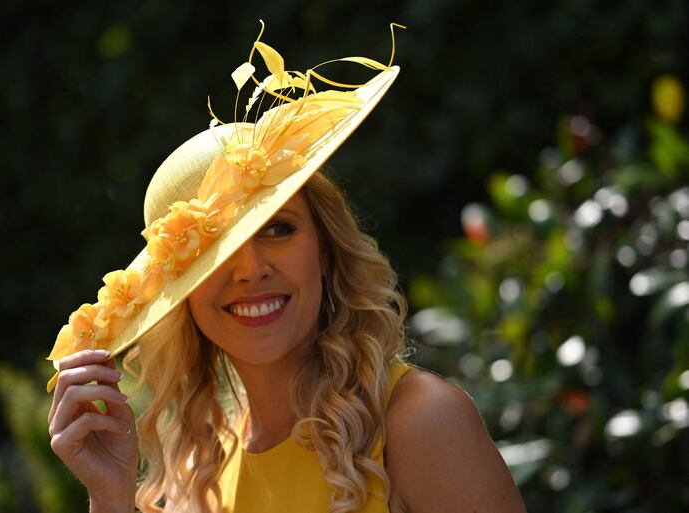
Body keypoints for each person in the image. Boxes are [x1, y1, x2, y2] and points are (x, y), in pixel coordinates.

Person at [46, 23, 527, 513]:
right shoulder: (198, 475)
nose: (250, 270)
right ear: (179, 291)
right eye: (211, 253)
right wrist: (110, 497)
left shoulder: (421, 421)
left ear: (324, 248)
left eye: (278, 230)